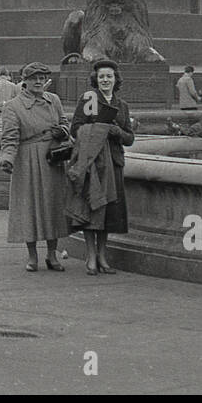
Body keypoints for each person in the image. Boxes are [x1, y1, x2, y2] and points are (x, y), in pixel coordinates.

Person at [0, 61, 71, 273]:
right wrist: (7, 158)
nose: (38, 82)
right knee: (29, 208)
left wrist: (63, 132)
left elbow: (65, 122)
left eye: (42, 78)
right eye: (33, 79)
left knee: (53, 205)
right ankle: (32, 256)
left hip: (53, 158)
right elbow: (9, 138)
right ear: (25, 81)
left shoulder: (54, 100)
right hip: (27, 160)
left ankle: (52, 255)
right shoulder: (13, 106)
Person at [68, 59, 134, 276]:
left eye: (109, 76)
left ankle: (103, 256)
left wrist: (116, 133)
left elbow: (129, 138)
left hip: (113, 164)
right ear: (95, 79)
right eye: (102, 76)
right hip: (92, 163)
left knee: (109, 213)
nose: (105, 80)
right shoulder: (89, 99)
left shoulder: (121, 105)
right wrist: (99, 129)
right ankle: (91, 256)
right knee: (91, 207)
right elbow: (76, 128)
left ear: (116, 80)